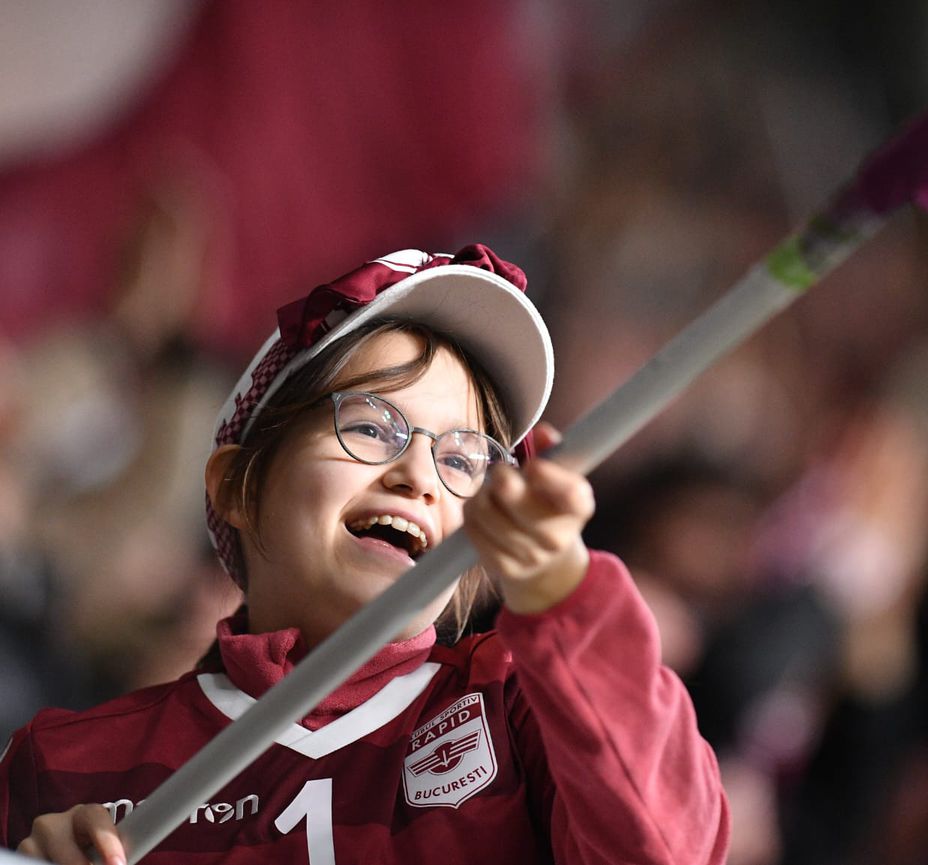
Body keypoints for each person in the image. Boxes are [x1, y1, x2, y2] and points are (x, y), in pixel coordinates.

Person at [0, 244, 730, 864]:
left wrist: (568, 598)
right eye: (371, 425)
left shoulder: (524, 712)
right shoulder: (61, 763)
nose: (417, 475)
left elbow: (668, 848)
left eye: (464, 458)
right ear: (237, 487)